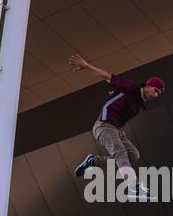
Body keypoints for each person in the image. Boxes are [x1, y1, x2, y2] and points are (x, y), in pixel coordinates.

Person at [68, 53, 165, 199]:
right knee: (120, 152)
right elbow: (107, 76)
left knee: (134, 155)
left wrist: (116, 94)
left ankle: (94, 162)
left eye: (159, 93)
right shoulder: (131, 87)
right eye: (155, 90)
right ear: (148, 85)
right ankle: (134, 187)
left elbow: (123, 101)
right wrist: (87, 66)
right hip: (103, 126)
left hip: (117, 130)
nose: (156, 95)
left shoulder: (142, 103)